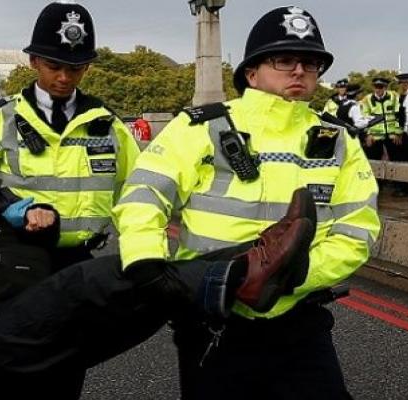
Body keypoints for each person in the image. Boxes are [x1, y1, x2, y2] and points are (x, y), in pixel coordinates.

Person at [0, 135, 317, 400]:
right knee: (97, 277)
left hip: (24, 317)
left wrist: (39, 213)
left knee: (151, 299)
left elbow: (27, 212)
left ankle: (253, 261)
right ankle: (245, 273)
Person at [113, 6, 381, 399]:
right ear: (251, 72)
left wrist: (290, 276)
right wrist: (145, 262)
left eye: (310, 63)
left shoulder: (338, 139)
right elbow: (143, 193)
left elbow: (358, 228)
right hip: (213, 319)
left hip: (298, 316)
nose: (299, 71)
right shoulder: (200, 127)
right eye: (284, 59)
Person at [0, 2, 140, 270]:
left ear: (88, 67)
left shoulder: (109, 124)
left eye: (75, 68)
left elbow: (135, 193)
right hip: (16, 258)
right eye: (54, 66)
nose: (64, 77)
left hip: (84, 261)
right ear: (34, 61)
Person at [361, 77, 402, 160]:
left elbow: (399, 116)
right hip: (375, 137)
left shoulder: (394, 97)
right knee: (374, 161)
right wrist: (368, 134)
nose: (378, 89)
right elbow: (364, 119)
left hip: (392, 135)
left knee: (397, 160)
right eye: (376, 87)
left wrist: (398, 133)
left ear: (385, 87)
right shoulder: (367, 100)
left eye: (380, 87)